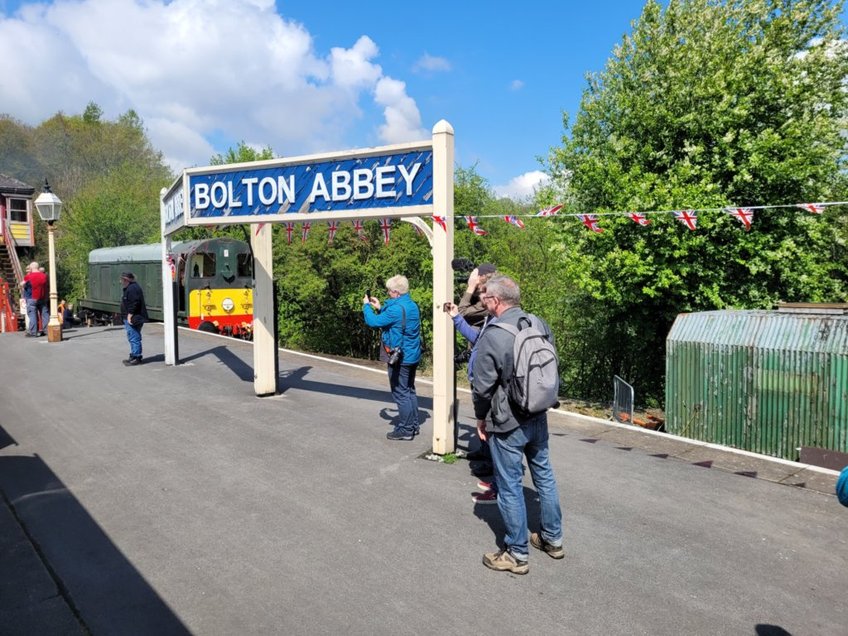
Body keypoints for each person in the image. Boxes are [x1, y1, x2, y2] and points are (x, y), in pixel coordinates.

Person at [471, 275, 563, 575]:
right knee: (544, 477)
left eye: (485, 299)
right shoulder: (538, 323)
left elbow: (482, 387)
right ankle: (552, 539)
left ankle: (517, 554)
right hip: (538, 413)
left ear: (496, 301)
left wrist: (481, 417)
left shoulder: (494, 335)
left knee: (509, 486)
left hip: (507, 421)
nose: (483, 303)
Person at [445, 297, 500, 505]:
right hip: (483, 385)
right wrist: (456, 318)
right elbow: (476, 338)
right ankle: (496, 482)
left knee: (497, 438)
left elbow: (466, 308)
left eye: (485, 294)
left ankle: (499, 488)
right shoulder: (490, 319)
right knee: (492, 437)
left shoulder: (501, 324)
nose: (482, 298)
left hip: (493, 390)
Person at [363, 275, 422, 441]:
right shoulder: (411, 305)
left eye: (389, 290)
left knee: (400, 393)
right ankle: (413, 425)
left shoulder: (396, 309)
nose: (388, 293)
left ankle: (405, 429)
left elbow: (373, 322)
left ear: (396, 292)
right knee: (409, 390)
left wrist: (366, 306)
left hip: (400, 357)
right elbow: (397, 322)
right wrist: (381, 308)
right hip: (412, 354)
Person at [120, 272, 148, 366]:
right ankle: (133, 355)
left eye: (122, 280)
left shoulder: (132, 289)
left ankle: (137, 357)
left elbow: (134, 303)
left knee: (134, 337)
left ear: (126, 280)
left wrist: (130, 315)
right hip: (131, 317)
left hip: (134, 318)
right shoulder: (131, 288)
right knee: (131, 336)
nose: (121, 282)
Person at [20, 261, 48, 337]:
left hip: (32, 298)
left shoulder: (29, 276)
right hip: (42, 297)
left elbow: (21, 284)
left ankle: (33, 332)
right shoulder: (44, 276)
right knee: (44, 314)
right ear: (38, 267)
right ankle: (47, 330)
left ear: (31, 268)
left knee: (32, 315)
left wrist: (23, 285)